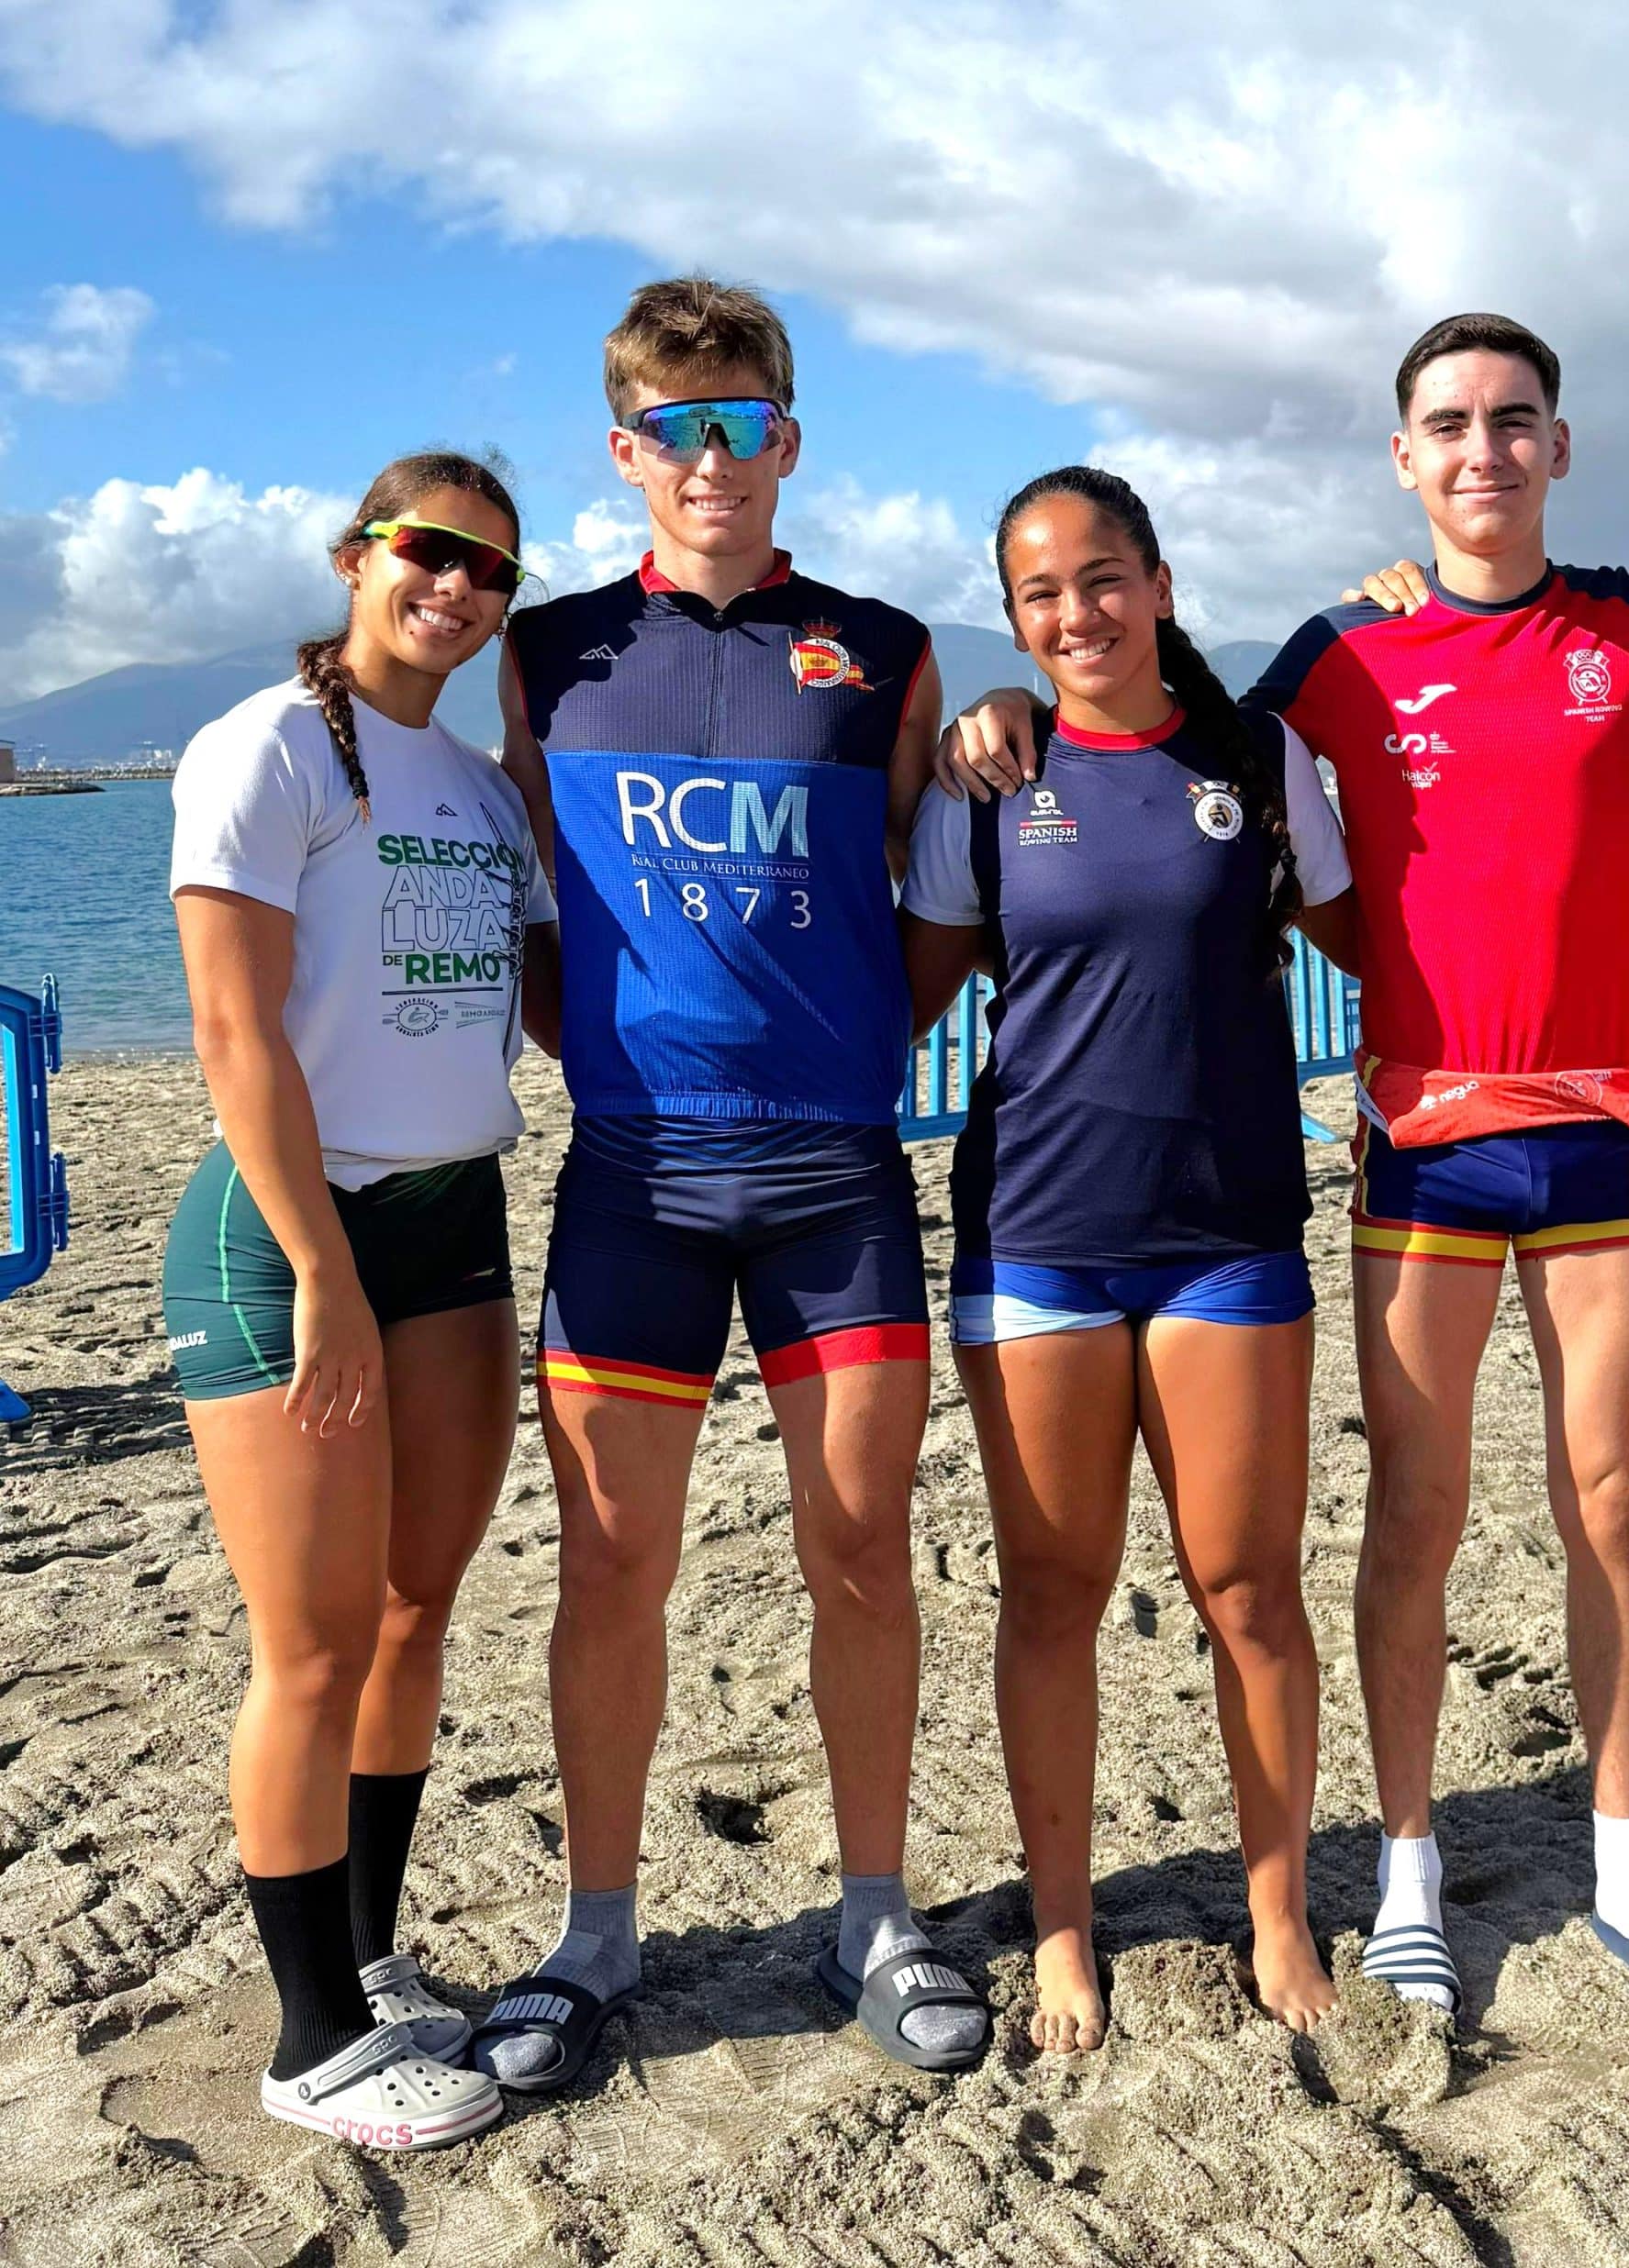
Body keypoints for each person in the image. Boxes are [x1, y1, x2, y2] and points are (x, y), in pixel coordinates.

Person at [936, 314, 1629, 2025]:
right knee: (1417, 1513)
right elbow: (1162, 751)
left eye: (1513, 421)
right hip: (1422, 1144)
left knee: (1610, 1497)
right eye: (1449, 425)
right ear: (1406, 457)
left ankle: (1626, 1867)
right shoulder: (1333, 656)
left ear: (1558, 445)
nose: (1484, 450)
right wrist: (1013, 699)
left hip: (1601, 1130)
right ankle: (1403, 1871)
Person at [478, 276, 987, 2088]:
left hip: (834, 1178)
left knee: (858, 1554)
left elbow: (933, 906)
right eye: (675, 431)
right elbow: (524, 898)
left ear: (786, 439)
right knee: (612, 1568)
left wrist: (843, 1046)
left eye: (744, 424)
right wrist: (605, 1050)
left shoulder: (883, 645)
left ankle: (873, 1907)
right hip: (630, 1180)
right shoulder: (543, 654)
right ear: (627, 451)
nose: (713, 461)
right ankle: (594, 1933)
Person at [899, 468, 1358, 2052]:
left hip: (1229, 1235)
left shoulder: (1258, 756)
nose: (1076, 614)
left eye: (1103, 580)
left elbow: (1381, 939)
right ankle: (1065, 1926)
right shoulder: (988, 780)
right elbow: (907, 990)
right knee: (1054, 1591)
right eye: (1040, 594)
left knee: (1249, 1591)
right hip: (1037, 1236)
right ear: (1013, 618)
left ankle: (1281, 1909)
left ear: (1159, 585)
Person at [163, 453, 555, 2148]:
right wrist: (319, 1264)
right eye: (430, 551)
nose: (456, 587)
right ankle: (311, 2036)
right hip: (285, 1241)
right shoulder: (263, 747)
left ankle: (374, 1959)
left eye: (491, 571)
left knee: (413, 1609)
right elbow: (235, 1035)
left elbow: (541, 1001)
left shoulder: (473, 783)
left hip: (456, 1222)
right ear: (355, 556)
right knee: (310, 1649)